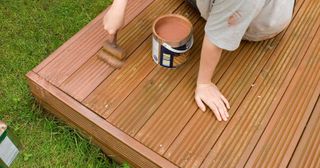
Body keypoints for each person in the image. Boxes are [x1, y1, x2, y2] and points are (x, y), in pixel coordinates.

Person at [103, 0, 294, 121]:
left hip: (255, 24)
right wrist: (118, 6)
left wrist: (204, 83)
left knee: (223, 19)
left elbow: (216, 37)